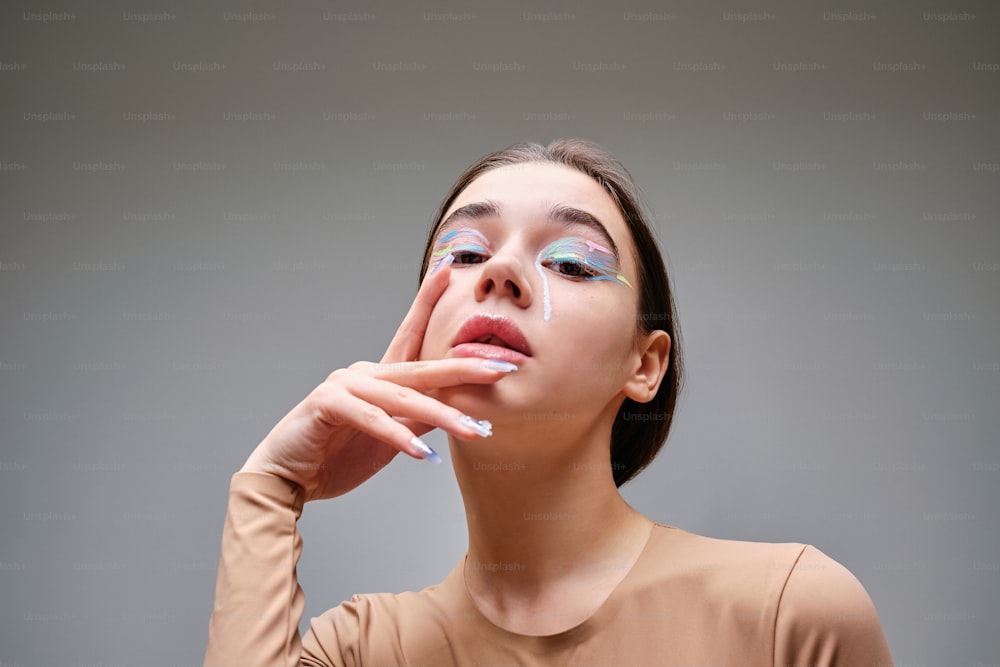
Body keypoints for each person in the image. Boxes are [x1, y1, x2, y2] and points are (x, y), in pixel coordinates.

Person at [203, 138, 895, 666]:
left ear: (645, 364)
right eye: (465, 254)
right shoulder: (362, 649)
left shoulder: (787, 612)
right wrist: (269, 488)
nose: (501, 272)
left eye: (570, 262)